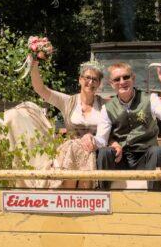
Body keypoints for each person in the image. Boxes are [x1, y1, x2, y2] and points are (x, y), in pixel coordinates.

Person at [21, 54, 106, 189]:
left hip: (94, 151)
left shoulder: (105, 104)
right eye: (87, 78)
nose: (91, 82)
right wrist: (34, 63)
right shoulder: (68, 101)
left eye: (95, 79)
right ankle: (67, 199)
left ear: (99, 84)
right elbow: (41, 89)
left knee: (85, 152)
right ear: (80, 80)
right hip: (70, 153)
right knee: (71, 149)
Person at [94, 61, 161, 190]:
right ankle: (104, 197)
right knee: (104, 152)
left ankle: (155, 198)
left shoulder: (150, 99)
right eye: (117, 79)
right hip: (121, 159)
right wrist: (91, 139)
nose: (122, 82)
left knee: (157, 152)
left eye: (126, 77)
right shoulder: (107, 108)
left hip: (146, 158)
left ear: (133, 78)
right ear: (112, 84)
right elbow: (101, 139)